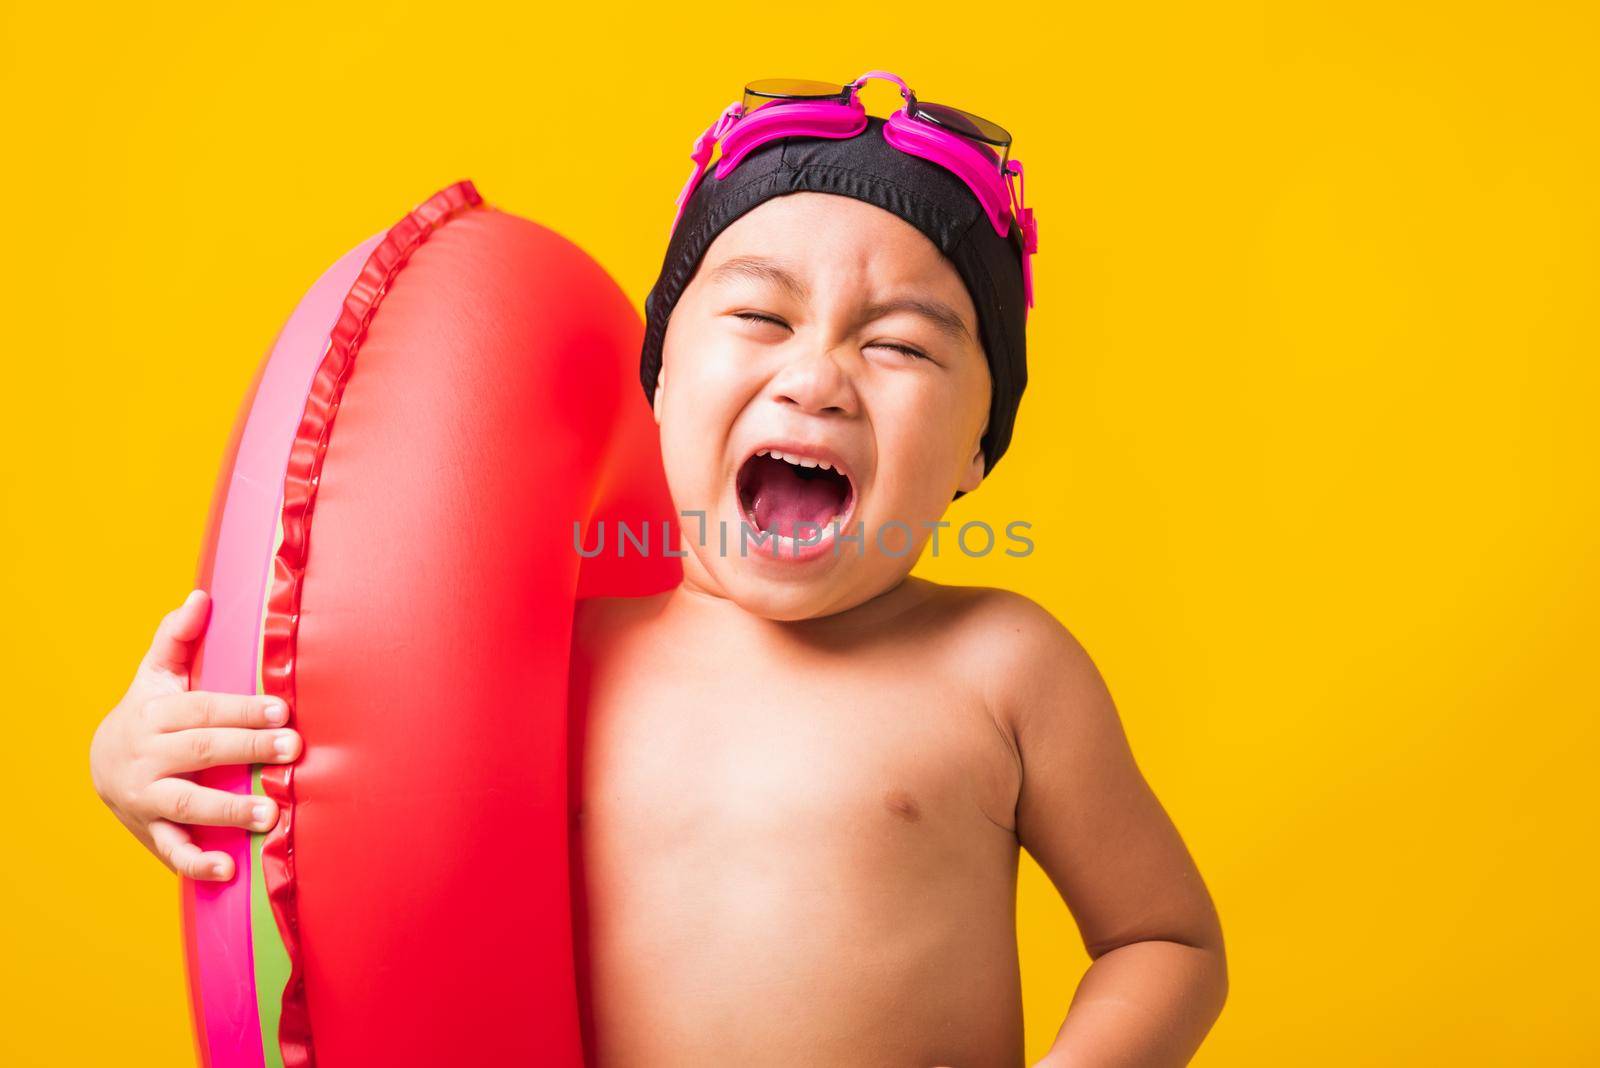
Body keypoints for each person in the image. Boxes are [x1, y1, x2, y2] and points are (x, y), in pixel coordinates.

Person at [91, 76, 1227, 1067]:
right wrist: (139, 763)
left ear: (978, 447)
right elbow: (328, 811)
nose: (815, 377)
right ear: (660, 381)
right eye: (756, 315)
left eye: (899, 344)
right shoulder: (561, 662)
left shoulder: (1002, 668)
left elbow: (1165, 943)